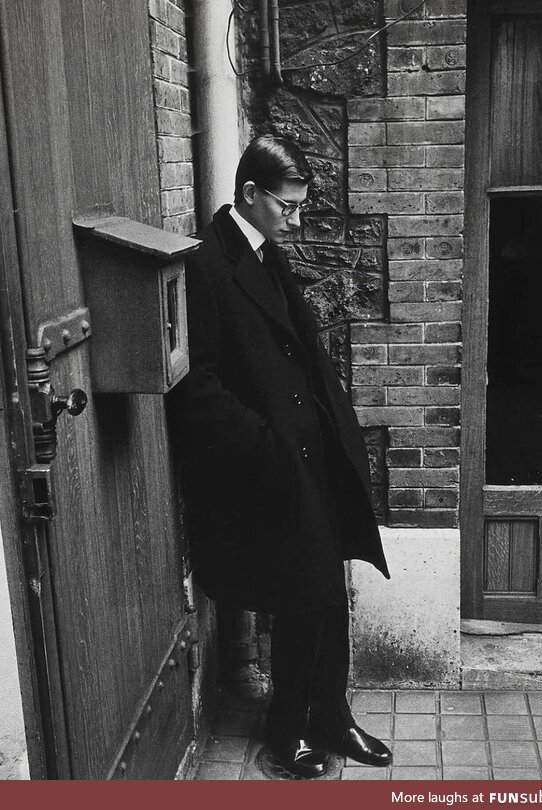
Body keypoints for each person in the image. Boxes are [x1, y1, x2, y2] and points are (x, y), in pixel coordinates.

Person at [178, 135, 391, 778]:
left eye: (300, 209)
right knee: (302, 593)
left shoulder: (265, 250)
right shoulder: (209, 264)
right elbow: (198, 388)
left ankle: (329, 714)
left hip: (308, 453)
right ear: (249, 194)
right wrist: (269, 448)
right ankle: (288, 729)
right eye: (287, 207)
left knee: (330, 589)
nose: (296, 222)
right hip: (268, 467)